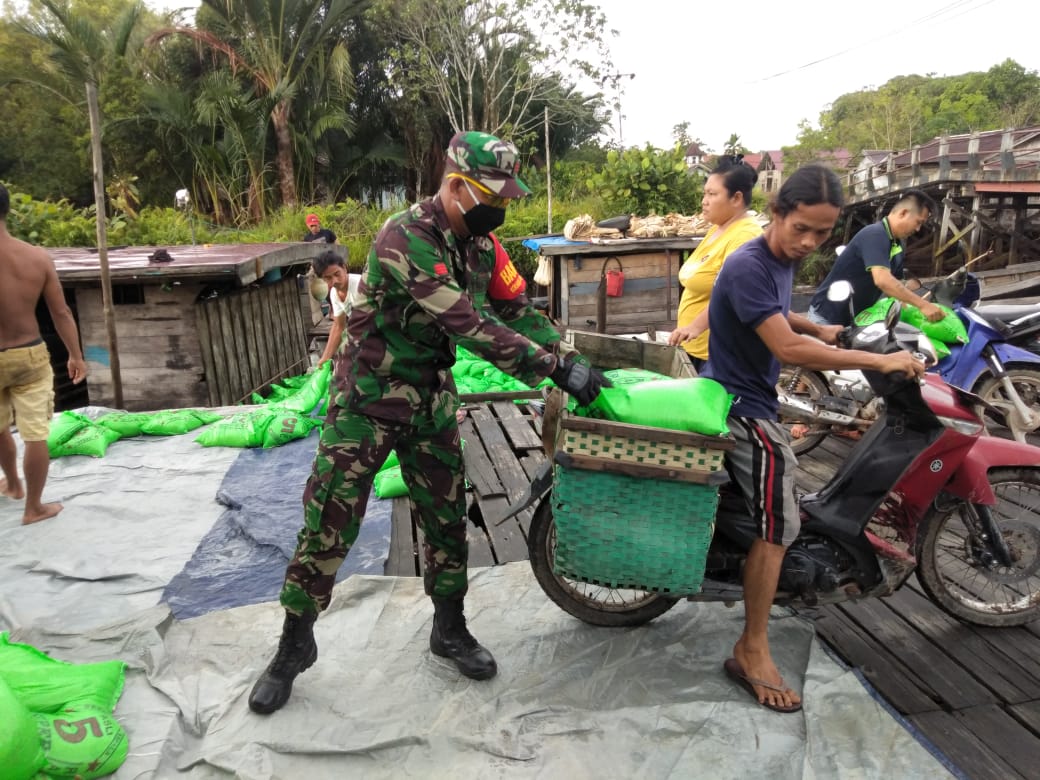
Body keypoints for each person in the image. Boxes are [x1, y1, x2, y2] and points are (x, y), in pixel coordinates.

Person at [248, 130, 609, 715]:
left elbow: (516, 308)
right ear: (457, 186)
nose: (503, 206)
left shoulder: (485, 246)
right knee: (330, 520)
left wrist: (566, 355)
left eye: (508, 196)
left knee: (445, 517)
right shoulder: (406, 237)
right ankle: (293, 645)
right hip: (366, 398)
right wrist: (549, 369)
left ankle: (449, 629)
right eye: (495, 194)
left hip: (431, 397)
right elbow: (468, 323)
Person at [700, 164, 925, 713]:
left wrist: (814, 325)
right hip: (741, 408)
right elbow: (788, 352)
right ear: (776, 213)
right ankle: (751, 647)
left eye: (823, 234)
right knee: (782, 522)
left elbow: (777, 318)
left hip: (749, 395)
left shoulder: (776, 259)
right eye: (802, 228)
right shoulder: (750, 262)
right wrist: (876, 357)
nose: (810, 242)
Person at [0, 183, 88, 525]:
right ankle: (33, 507)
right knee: (35, 432)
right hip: (29, 355)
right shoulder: (37, 258)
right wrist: (76, 356)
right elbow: (61, 313)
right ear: (9, 210)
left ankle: (13, 485)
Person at [667, 156, 762, 370]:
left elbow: (735, 295)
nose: (704, 201)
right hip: (696, 347)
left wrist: (695, 326)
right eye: (705, 193)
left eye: (712, 194)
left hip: (717, 353)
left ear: (736, 198)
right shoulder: (718, 228)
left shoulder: (745, 236)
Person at [806, 188, 944, 326]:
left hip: (855, 320)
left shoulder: (898, 244)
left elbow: (895, 284)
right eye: (918, 222)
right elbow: (882, 280)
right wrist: (923, 305)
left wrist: (909, 310)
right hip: (826, 318)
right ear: (903, 213)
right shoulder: (875, 235)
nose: (918, 229)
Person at [312, 250, 359, 368]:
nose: (334, 281)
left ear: (344, 268)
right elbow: (339, 326)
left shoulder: (360, 285)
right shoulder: (334, 293)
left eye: (337, 274)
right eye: (328, 278)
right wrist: (325, 357)